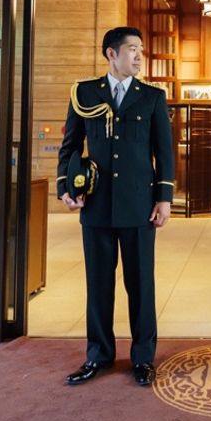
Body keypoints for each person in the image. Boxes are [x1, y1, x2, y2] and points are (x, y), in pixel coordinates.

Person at [57, 27, 174, 387]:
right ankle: (98, 355)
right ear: (112, 53)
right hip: (97, 206)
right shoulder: (84, 93)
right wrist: (65, 186)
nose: (139, 56)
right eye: (132, 49)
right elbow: (70, 146)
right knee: (98, 286)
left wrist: (164, 198)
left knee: (141, 285)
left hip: (139, 206)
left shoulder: (152, 96)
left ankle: (143, 358)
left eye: (141, 49)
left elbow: (164, 152)